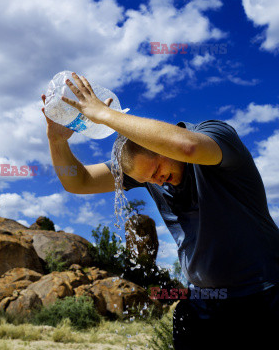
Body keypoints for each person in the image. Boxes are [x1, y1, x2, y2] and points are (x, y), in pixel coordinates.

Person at [41, 72, 279, 349]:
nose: (157, 182)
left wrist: (103, 115)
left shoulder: (216, 136)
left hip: (263, 297)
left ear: (162, 148)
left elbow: (187, 147)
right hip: (203, 303)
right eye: (147, 180)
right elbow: (77, 181)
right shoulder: (147, 173)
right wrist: (57, 141)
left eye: (157, 171)